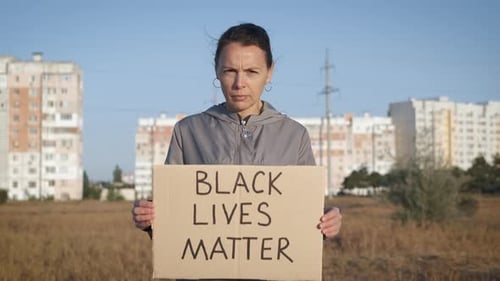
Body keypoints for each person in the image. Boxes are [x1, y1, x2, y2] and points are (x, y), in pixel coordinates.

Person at [132, 22, 342, 279]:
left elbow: (303, 219)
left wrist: (327, 221)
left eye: (252, 71)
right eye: (230, 70)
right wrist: (150, 220)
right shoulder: (188, 131)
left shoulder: (295, 135)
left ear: (270, 72)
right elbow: (174, 217)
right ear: (217, 71)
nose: (239, 83)